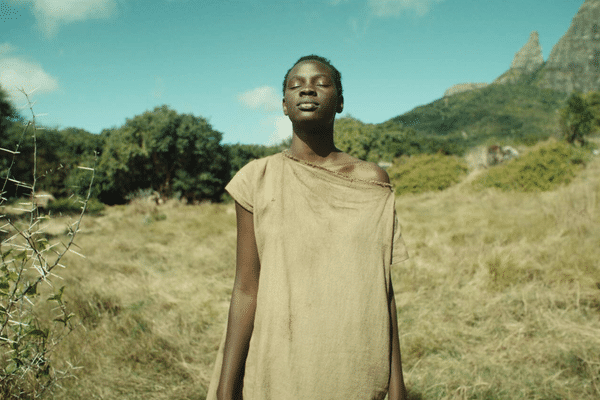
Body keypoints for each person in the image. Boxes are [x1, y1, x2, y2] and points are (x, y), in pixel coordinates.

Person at [207, 55, 409, 400]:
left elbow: (382, 289)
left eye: (321, 83)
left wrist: (397, 385)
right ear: (284, 105)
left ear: (340, 102)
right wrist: (226, 390)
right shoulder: (257, 178)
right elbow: (245, 288)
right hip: (276, 365)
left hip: (354, 366)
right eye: (295, 84)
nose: (308, 90)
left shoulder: (371, 181)